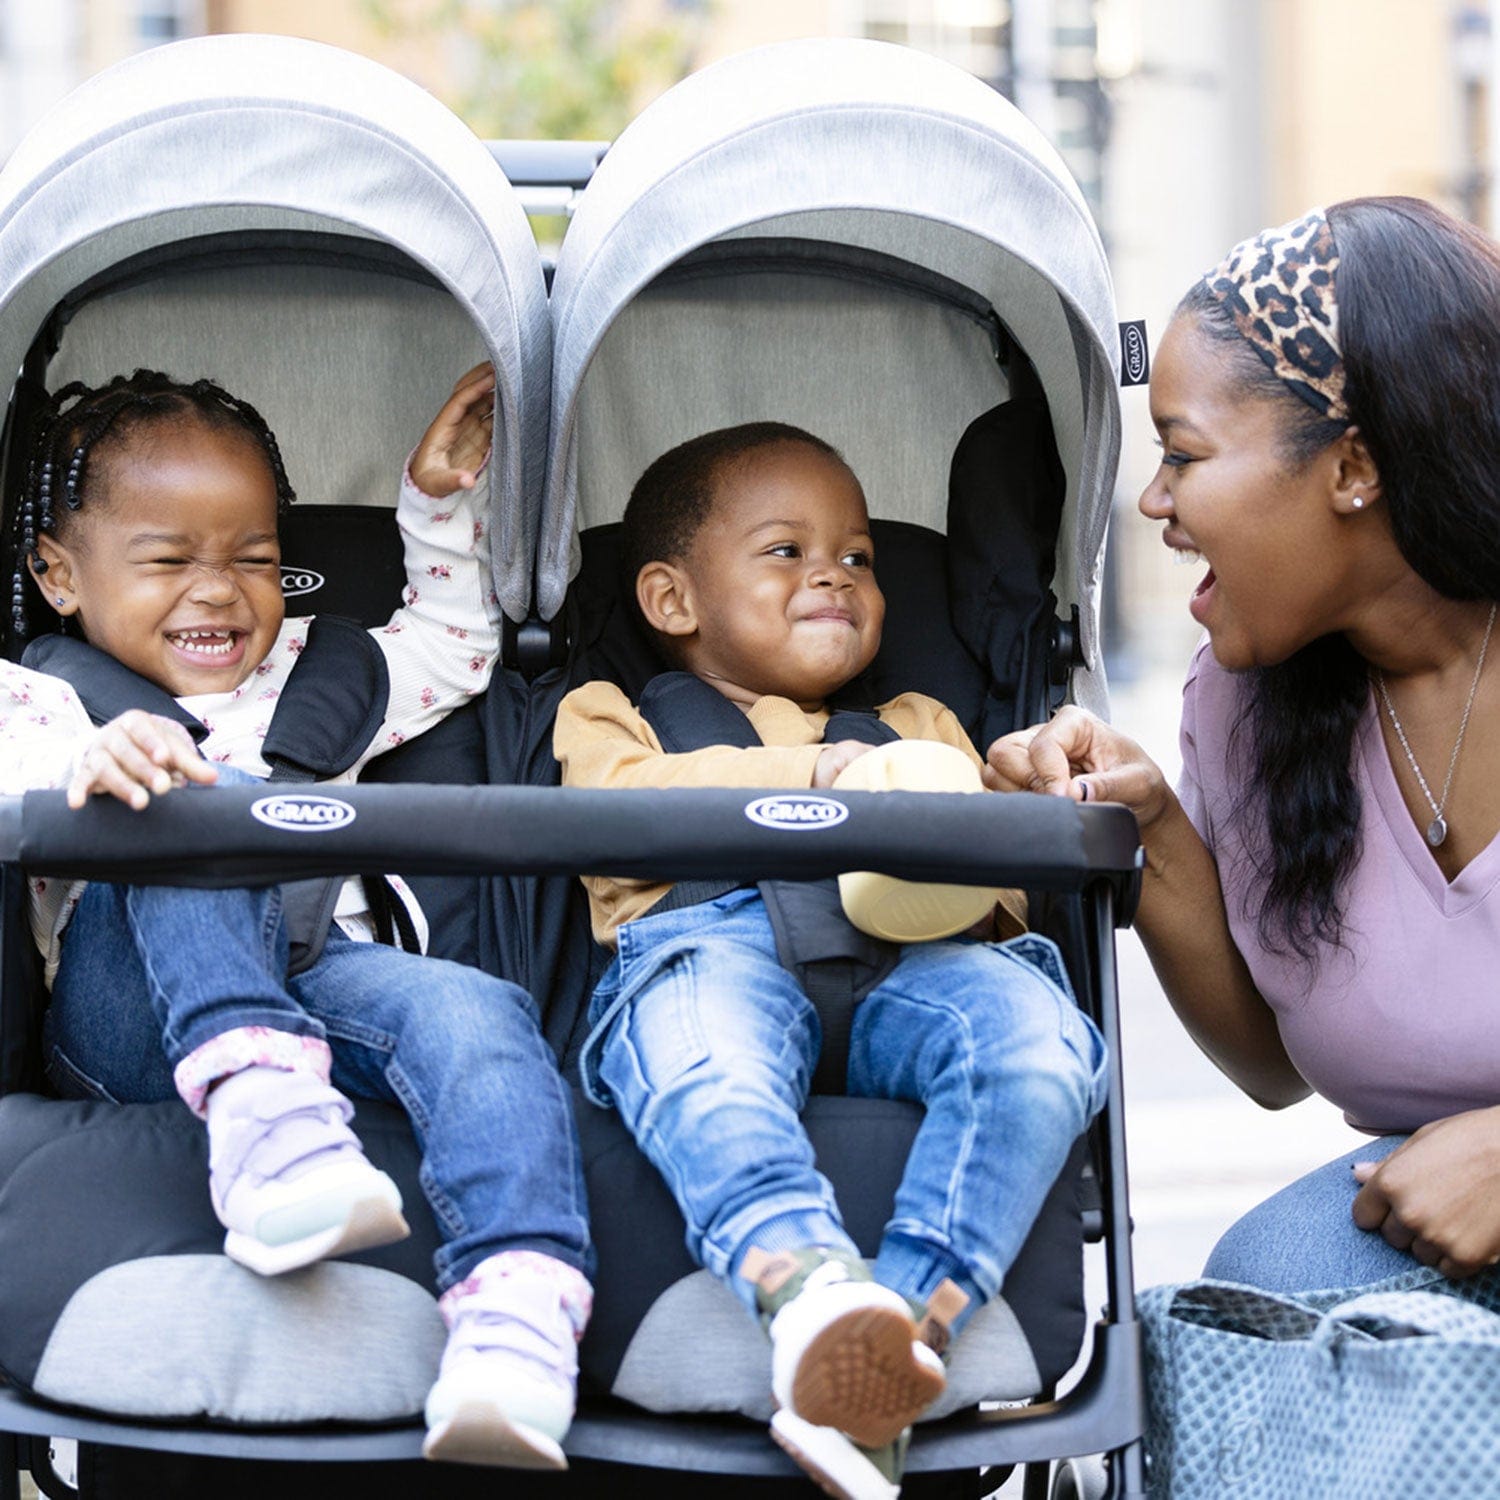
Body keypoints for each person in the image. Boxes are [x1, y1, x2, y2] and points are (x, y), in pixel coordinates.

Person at [0, 366, 593, 1470]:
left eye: (256, 560)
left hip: (320, 981)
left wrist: (430, 505)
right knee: (191, 800)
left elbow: (456, 642)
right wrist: (93, 761)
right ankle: (267, 1127)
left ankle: (519, 1316)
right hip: (134, 1014)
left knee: (478, 1012)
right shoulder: (34, 701)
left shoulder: (319, 677)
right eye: (170, 561)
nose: (219, 592)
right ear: (59, 574)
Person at [553, 422, 1107, 1500]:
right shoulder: (614, 715)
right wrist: (821, 774)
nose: (835, 577)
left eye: (858, 557)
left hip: (923, 963)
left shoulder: (921, 722)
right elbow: (613, 816)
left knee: (1045, 1048)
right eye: (787, 553)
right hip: (716, 951)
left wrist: (1003, 812)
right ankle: (800, 1277)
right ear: (673, 601)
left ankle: (903, 1337)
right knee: (697, 1063)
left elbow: (1003, 894)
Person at [988, 197, 1500, 1294]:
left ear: (1353, 465)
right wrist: (1149, 829)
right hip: (1419, 1239)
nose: (1153, 501)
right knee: (1239, 1305)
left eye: (1183, 454)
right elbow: (1275, 1067)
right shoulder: (1243, 704)